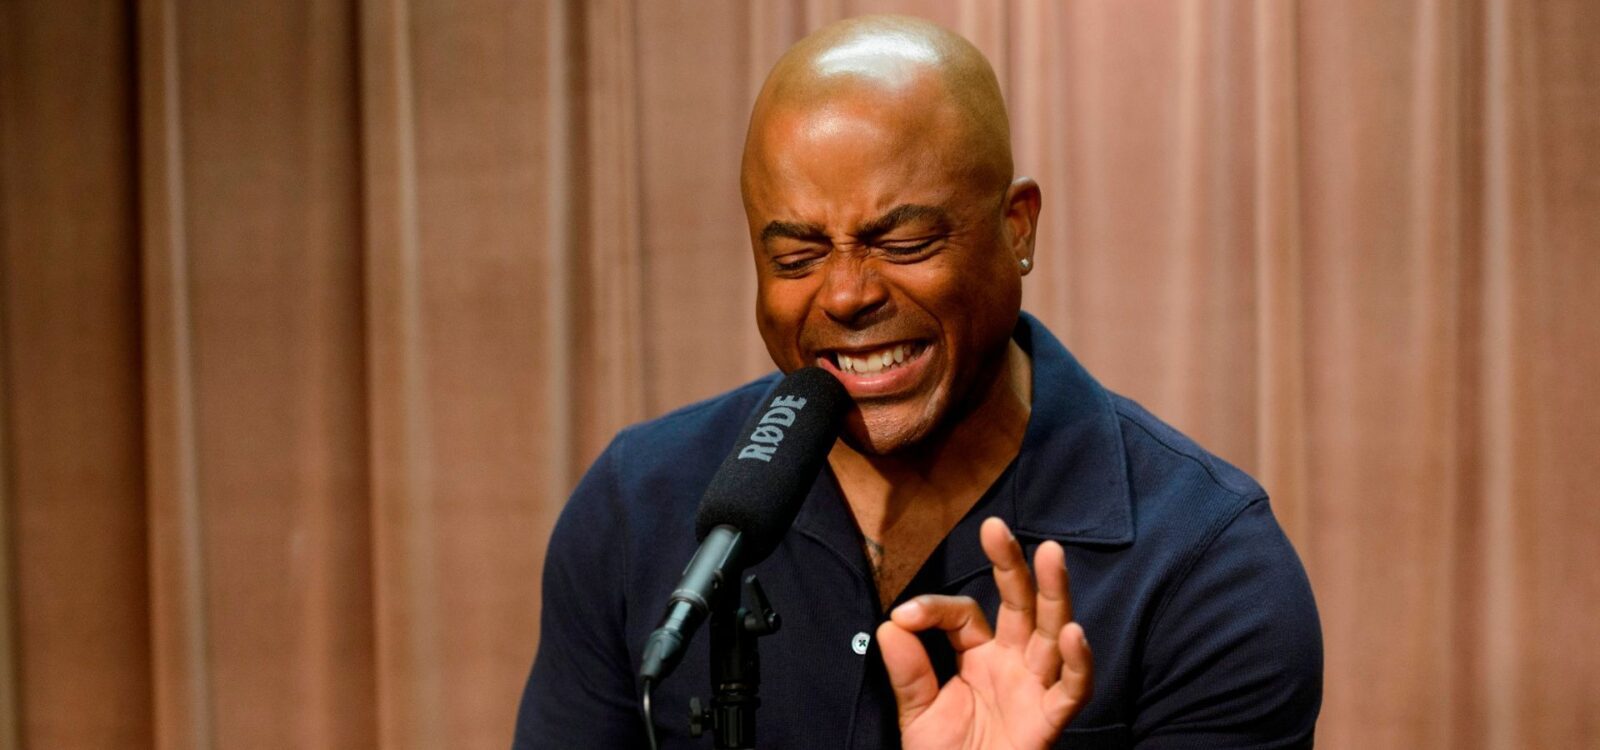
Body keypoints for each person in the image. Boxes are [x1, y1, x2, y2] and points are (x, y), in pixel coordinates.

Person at [514, 15, 1320, 749]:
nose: (845, 294)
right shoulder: (635, 506)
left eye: (903, 242)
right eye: (795, 257)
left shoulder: (1209, 567)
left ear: (1017, 228)